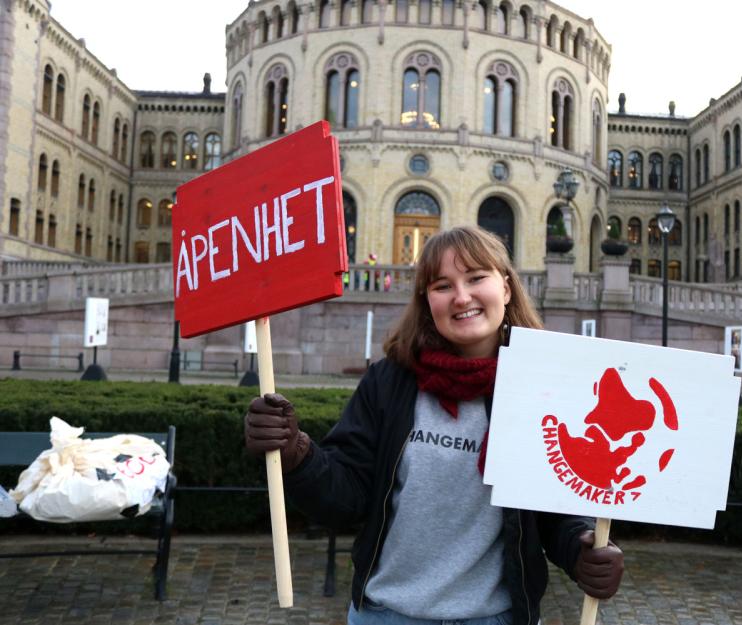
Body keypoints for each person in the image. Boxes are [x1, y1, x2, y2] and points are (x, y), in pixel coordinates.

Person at [244, 225, 624, 625]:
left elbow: (553, 507)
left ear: (507, 288)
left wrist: (582, 547)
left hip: (494, 619)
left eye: (477, 277)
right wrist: (297, 453)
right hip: (385, 616)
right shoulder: (390, 382)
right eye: (442, 285)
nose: (462, 297)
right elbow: (347, 498)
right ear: (427, 301)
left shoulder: (538, 388)